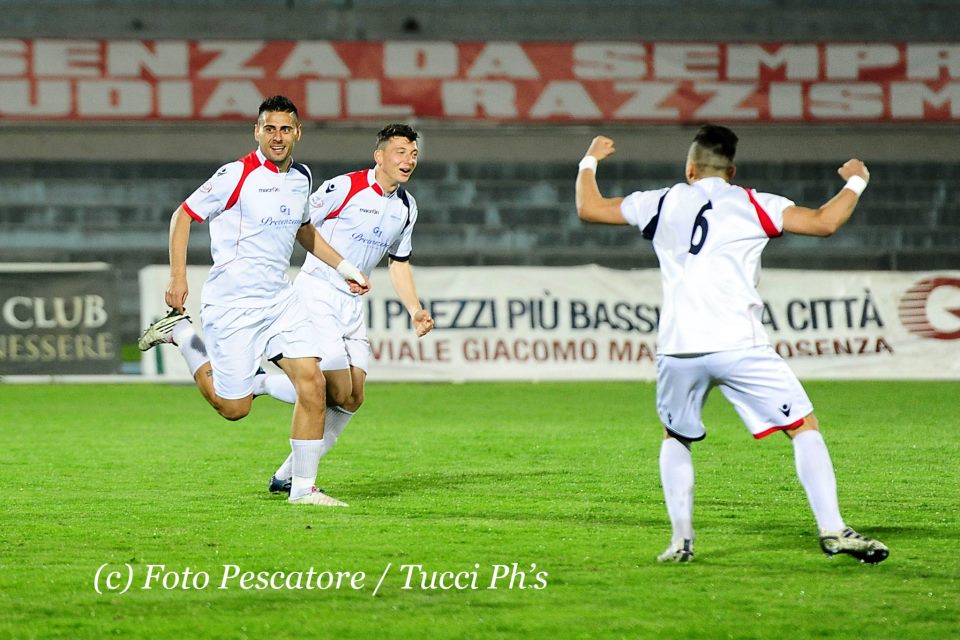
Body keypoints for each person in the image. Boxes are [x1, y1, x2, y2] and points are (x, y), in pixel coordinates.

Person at [575, 124, 889, 564]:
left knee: (676, 436)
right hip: (739, 343)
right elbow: (825, 222)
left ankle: (681, 541)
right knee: (802, 427)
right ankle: (833, 528)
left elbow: (589, 208)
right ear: (732, 171)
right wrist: (857, 180)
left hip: (679, 346)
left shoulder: (661, 201)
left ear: (690, 168)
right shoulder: (753, 202)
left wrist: (590, 159)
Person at [137, 95, 370, 507]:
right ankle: (183, 335)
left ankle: (302, 490)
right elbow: (183, 216)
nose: (277, 137)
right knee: (233, 408)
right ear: (257, 131)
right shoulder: (235, 175)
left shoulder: (302, 176)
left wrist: (345, 267)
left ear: (297, 133)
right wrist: (178, 277)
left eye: (285, 129)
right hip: (232, 306)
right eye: (270, 128)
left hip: (280, 302)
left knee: (313, 384)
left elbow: (304, 230)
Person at [254, 123, 434, 495]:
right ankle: (263, 385)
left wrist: (414, 308)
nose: (408, 160)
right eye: (400, 152)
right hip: (317, 293)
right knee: (334, 389)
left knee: (354, 397)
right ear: (379, 156)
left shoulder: (406, 206)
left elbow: (398, 262)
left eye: (413, 154)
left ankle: (288, 473)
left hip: (351, 304)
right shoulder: (345, 187)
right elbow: (302, 226)